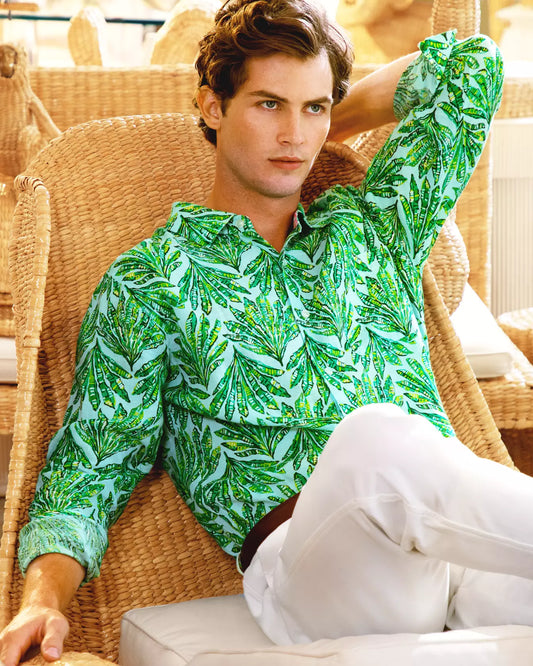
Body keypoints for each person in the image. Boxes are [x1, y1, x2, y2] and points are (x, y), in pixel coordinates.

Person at [3, 0, 528, 662]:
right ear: (212, 106)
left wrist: (323, 122)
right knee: (376, 436)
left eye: (313, 108)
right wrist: (41, 601)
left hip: (454, 547)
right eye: (268, 105)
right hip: (319, 571)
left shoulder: (375, 229)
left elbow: (469, 71)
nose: (293, 135)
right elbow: (87, 470)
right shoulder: (150, 283)